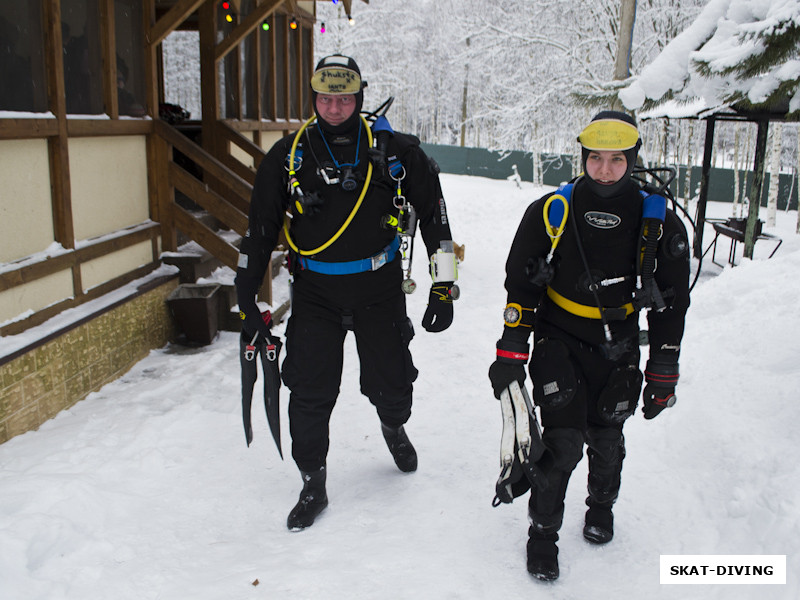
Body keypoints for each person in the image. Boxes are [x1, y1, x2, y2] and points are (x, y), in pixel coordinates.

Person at [235, 54, 459, 531]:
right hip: (315, 292)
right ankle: (312, 481)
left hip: (379, 288)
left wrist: (443, 284)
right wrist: (246, 296)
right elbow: (258, 232)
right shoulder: (288, 156)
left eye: (344, 99)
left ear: (358, 98)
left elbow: (437, 220)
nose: (334, 108)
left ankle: (393, 425)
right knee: (309, 392)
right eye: (325, 99)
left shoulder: (396, 151)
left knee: (394, 384)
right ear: (313, 99)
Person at [488, 111, 690, 581]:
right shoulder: (551, 211)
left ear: (632, 160)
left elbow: (671, 305)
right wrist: (511, 350)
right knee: (561, 444)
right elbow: (519, 285)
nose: (603, 169)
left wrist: (664, 370)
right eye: (594, 158)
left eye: (616, 160)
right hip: (559, 337)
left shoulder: (658, 224)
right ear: (582, 157)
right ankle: (543, 533)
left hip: (618, 346)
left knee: (607, 439)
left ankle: (601, 505)